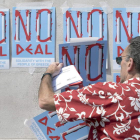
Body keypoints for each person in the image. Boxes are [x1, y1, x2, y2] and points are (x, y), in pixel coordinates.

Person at [38, 36, 140, 140]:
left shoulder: (111, 93)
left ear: (130, 64)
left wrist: (48, 73)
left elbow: (45, 101)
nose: (119, 64)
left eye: (120, 60)